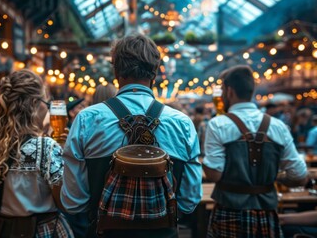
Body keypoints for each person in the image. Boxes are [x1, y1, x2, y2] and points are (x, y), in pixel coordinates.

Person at [61, 34, 202, 238]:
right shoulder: (183, 123)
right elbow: (189, 202)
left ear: (116, 72)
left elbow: (73, 202)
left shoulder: (86, 119)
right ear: (154, 73)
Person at [203, 65, 308, 237]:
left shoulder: (218, 124)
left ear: (229, 91)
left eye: (222, 90)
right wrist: (275, 177)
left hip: (229, 212)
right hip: (267, 213)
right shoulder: (278, 126)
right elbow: (299, 176)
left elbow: (215, 175)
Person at [0, 70, 73, 237]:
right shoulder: (44, 148)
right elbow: (65, 203)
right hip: (41, 231)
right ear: (34, 103)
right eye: (46, 104)